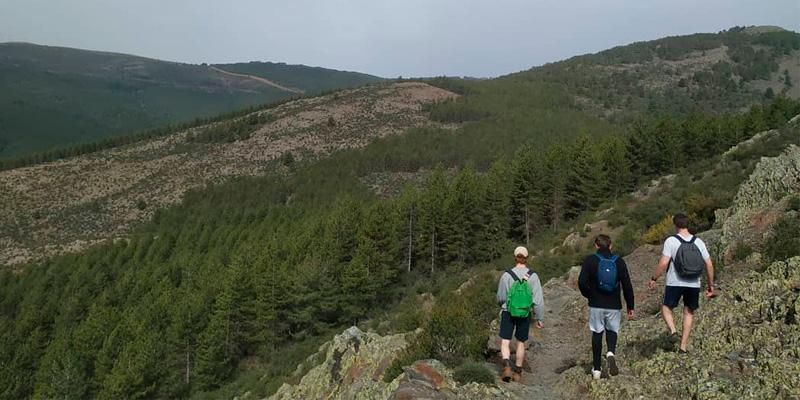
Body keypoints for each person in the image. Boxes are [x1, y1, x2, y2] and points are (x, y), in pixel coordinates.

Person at [648, 213, 715, 353]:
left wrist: (654, 278)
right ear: (687, 224)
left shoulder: (671, 241)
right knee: (689, 313)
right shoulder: (698, 242)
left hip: (675, 282)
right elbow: (709, 265)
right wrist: (710, 285)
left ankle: (673, 331)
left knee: (666, 308)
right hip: (694, 283)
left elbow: (663, 263)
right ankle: (683, 347)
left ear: (675, 225)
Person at [578, 234, 635, 380]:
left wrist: (589, 295)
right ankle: (610, 352)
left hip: (596, 303)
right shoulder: (619, 261)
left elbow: (582, 282)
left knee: (597, 333)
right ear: (611, 246)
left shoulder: (590, 260)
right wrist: (630, 305)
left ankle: (596, 369)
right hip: (614, 305)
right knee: (612, 330)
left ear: (596, 245)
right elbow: (627, 285)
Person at [496, 246, 545, 382]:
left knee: (505, 341)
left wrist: (503, 305)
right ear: (526, 258)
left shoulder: (507, 275)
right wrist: (540, 318)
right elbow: (538, 301)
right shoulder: (533, 276)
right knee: (521, 342)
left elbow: (500, 297)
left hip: (508, 312)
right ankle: (517, 371)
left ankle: (506, 366)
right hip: (524, 313)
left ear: (515, 257)